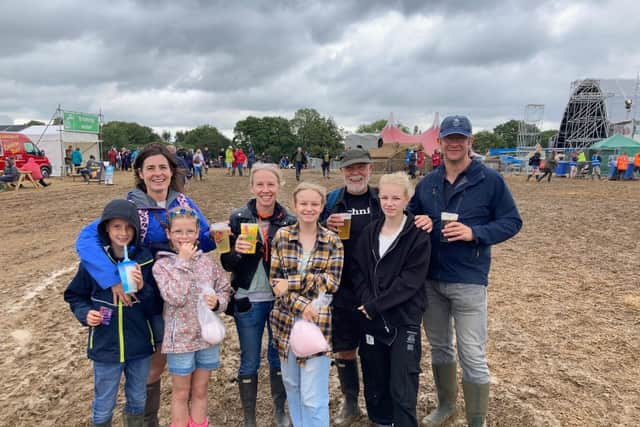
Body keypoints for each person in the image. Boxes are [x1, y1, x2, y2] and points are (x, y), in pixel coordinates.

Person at [75, 143, 218, 427]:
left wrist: (220, 238)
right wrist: (112, 278)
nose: (157, 173)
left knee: (188, 369)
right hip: (146, 296)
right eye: (150, 168)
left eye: (162, 167)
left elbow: (205, 238)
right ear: (140, 172)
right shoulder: (130, 206)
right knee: (153, 367)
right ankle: (147, 421)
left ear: (171, 171)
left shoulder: (185, 204)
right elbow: (85, 238)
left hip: (182, 296)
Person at [409, 115, 522, 427]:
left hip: (469, 279)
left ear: (471, 141)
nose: (454, 143)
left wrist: (475, 233)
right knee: (441, 346)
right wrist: (420, 221)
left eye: (461, 137)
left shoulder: (491, 181)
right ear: (441, 143)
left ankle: (476, 419)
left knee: (471, 352)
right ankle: (446, 406)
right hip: (431, 279)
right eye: (449, 138)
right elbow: (411, 213)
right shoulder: (429, 182)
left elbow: (512, 222)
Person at [64, 199, 162, 427]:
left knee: (137, 400)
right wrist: (86, 314)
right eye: (116, 227)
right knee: (103, 403)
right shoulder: (92, 264)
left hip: (139, 347)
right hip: (105, 348)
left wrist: (142, 288)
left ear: (136, 230)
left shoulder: (145, 260)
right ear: (106, 229)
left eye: (129, 227)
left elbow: (155, 306)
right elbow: (75, 295)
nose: (123, 233)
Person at [220, 163, 297, 427]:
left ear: (279, 185)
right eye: (260, 185)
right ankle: (249, 418)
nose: (265, 190)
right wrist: (237, 252)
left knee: (278, 356)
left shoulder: (290, 220)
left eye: (271, 184)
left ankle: (279, 411)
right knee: (249, 358)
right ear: (252, 187)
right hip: (247, 300)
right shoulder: (238, 217)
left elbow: (296, 261)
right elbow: (227, 262)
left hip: (279, 301)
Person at [352, 172, 431, 427]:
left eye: (396, 197)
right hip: (371, 318)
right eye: (384, 197)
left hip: (402, 319)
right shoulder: (369, 232)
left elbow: (411, 280)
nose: (389, 203)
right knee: (375, 379)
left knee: (403, 383)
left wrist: (376, 305)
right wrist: (366, 302)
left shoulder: (417, 235)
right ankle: (381, 421)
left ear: (407, 199)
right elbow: (358, 269)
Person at [270, 182, 344, 427]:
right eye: (304, 203)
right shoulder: (282, 236)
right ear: (294, 205)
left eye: (315, 204)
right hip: (286, 321)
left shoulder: (333, 241)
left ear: (323, 207)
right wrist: (301, 303)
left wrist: (292, 282)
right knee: (292, 385)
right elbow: (275, 282)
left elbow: (331, 283)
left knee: (313, 396)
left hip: (316, 323)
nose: (309, 208)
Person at [153, 206, 231, 427]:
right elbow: (174, 297)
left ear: (197, 233)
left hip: (207, 338)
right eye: (178, 232)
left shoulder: (208, 263)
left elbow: (224, 289)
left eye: (189, 231)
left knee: (200, 390)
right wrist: (183, 263)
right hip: (180, 340)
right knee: (180, 392)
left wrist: (217, 303)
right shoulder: (163, 265)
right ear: (169, 234)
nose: (184, 237)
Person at [320, 148, 382, 426]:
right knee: (344, 347)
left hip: (375, 285)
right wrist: (324, 225)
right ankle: (351, 403)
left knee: (376, 347)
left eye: (361, 167)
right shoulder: (332, 200)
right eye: (349, 168)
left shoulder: (382, 198)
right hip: (341, 285)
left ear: (370, 169)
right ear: (341, 171)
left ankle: (378, 402)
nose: (355, 173)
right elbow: (310, 233)